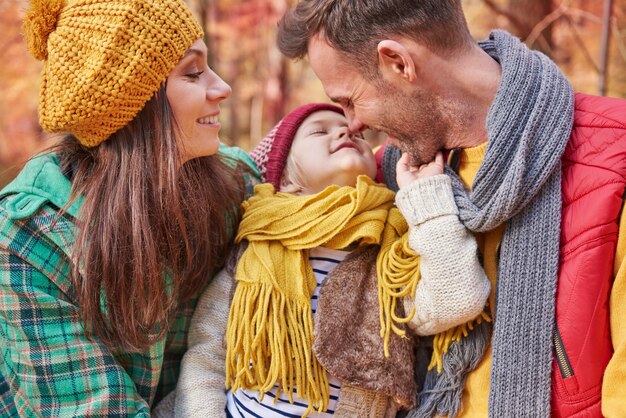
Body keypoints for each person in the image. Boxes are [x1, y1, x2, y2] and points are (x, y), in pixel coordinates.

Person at [276, 1, 626, 417]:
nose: (352, 125)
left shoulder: (611, 162)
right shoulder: (386, 175)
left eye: (349, 100)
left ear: (398, 63)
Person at [0, 0, 259, 416]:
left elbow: (293, 163)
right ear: (132, 108)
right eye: (193, 73)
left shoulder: (231, 182)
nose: (222, 87)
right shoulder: (28, 238)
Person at [171, 103, 491, 417]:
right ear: (286, 180)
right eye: (320, 131)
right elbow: (206, 357)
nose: (343, 131)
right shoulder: (254, 251)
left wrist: (426, 196)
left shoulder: (390, 252)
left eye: (356, 133)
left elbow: (457, 300)